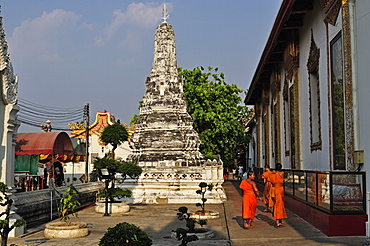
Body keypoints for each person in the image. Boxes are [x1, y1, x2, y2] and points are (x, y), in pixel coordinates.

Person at [268, 163, 287, 227]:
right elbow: (283, 178)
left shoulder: (272, 175)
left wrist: (269, 192)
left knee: (277, 204)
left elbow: (269, 183)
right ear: (281, 168)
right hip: (280, 189)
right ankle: (277, 222)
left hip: (274, 189)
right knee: (278, 205)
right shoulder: (282, 173)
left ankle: (279, 220)